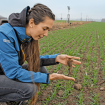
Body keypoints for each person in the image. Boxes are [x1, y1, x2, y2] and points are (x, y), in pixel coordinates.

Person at [0, 3, 81, 105]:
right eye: (44, 29)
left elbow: (34, 59)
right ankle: (6, 101)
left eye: (48, 30)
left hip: (5, 72)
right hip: (5, 73)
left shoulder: (26, 36)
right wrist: (49, 77)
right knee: (29, 89)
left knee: (41, 69)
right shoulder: (5, 35)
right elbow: (13, 72)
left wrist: (56, 58)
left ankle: (12, 97)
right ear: (32, 22)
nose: (46, 34)